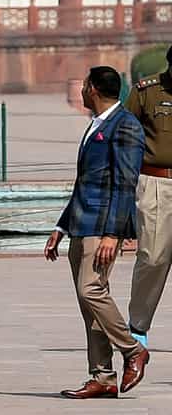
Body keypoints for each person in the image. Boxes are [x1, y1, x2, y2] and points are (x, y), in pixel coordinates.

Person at [44, 66, 149, 399]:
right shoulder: (97, 125)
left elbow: (125, 182)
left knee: (92, 290)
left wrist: (113, 234)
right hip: (81, 223)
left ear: (93, 89)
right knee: (88, 301)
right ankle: (102, 375)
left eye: (85, 84)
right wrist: (61, 227)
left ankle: (133, 350)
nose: (82, 90)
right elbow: (83, 183)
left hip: (103, 226)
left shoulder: (126, 126)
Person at [125, 47, 172, 348]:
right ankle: (138, 326)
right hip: (157, 182)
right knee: (153, 257)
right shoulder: (148, 92)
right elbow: (125, 135)